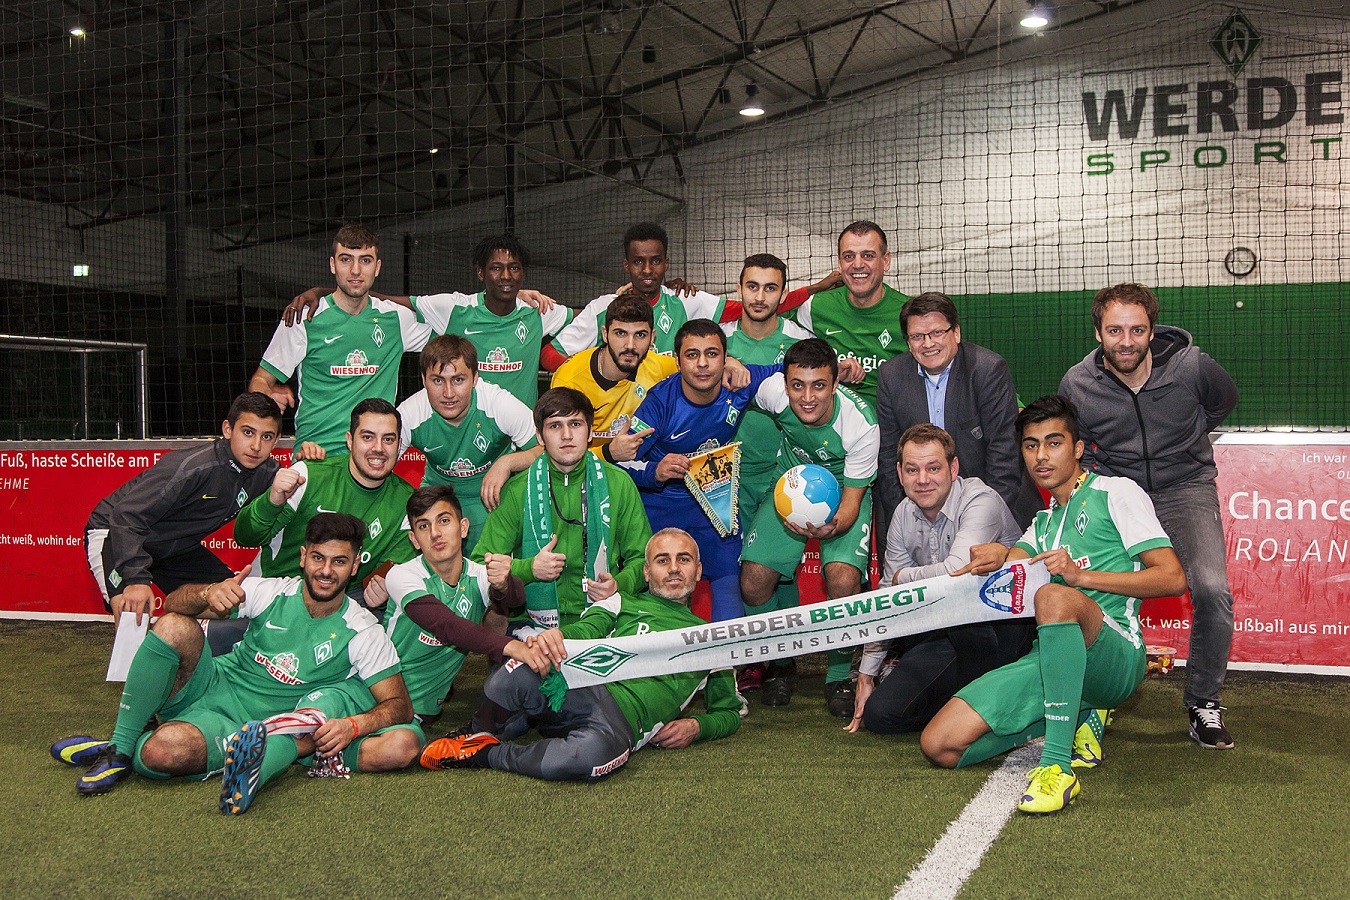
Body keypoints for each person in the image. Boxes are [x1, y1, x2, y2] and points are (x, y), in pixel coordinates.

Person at [919, 395, 1186, 815]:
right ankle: (1075, 715)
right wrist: (996, 556)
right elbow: (1014, 560)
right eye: (1030, 445)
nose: (1041, 455)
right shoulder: (1042, 522)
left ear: (1078, 449)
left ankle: (1057, 768)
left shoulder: (1115, 493)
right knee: (939, 745)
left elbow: (1172, 577)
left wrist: (1081, 578)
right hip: (1055, 660)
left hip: (1116, 653)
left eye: (1053, 442)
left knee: (1054, 595)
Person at [58, 513, 419, 814]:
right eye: (319, 558)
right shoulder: (269, 591)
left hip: (251, 728)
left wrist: (355, 726)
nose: (327, 571)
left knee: (160, 753)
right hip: (210, 687)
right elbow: (174, 606)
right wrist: (207, 594)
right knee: (172, 627)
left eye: (339, 562)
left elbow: (399, 706)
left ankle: (136, 740)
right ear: (303, 556)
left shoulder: (363, 630)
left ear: (355, 564)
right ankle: (120, 747)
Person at [1059, 282, 1240, 750]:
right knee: (1092, 587)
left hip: (1186, 488)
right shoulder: (1077, 384)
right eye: (1115, 330)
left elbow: (1223, 402)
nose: (1126, 341)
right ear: (1097, 332)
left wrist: (1185, 443)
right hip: (1120, 492)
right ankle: (1095, 699)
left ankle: (1203, 701)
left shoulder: (1191, 366)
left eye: (1137, 330)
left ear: (1152, 331)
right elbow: (1078, 441)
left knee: (1213, 590)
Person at [419, 528, 741, 781]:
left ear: (698, 571)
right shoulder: (622, 602)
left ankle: (485, 754)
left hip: (621, 725)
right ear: (646, 572)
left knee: (585, 760)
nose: (673, 569)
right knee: (511, 673)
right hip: (577, 687)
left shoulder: (711, 641)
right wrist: (555, 638)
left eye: (683, 560)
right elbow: (588, 629)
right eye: (662, 560)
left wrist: (697, 727)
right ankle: (478, 731)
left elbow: (729, 714)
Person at [847, 424, 1031, 735]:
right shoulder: (904, 513)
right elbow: (888, 598)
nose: (922, 480)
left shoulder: (979, 499)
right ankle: (966, 708)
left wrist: (904, 577)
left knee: (959, 610)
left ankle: (1005, 695)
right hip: (948, 631)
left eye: (933, 468)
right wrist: (867, 674)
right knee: (881, 716)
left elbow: (957, 573)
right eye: (912, 469)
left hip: (1001, 629)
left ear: (953, 468)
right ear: (900, 473)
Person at [739, 338, 880, 717]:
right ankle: (780, 663)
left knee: (842, 578)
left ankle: (838, 675)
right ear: (785, 384)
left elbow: (850, 506)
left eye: (819, 385)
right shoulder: (772, 393)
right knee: (753, 579)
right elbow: (737, 397)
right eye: (797, 385)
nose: (807, 397)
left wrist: (825, 529)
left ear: (835, 385)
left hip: (844, 489)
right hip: (790, 484)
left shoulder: (861, 427)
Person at [618, 318, 781, 624]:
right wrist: (655, 470)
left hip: (713, 488)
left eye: (713, 354)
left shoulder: (740, 382)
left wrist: (844, 365)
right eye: (692, 355)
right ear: (677, 361)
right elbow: (621, 462)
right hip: (660, 499)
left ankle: (724, 670)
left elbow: (794, 368)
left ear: (725, 357)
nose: (703, 364)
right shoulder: (659, 403)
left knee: (728, 581)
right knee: (655, 586)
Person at [286, 234, 568, 409]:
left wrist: (614, 298)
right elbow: (384, 297)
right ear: (481, 273)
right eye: (496, 268)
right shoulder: (453, 308)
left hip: (521, 437)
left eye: (513, 269)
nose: (505, 276)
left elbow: (588, 317)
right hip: (465, 435)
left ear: (523, 274)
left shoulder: (538, 311)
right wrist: (323, 292)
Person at [84, 392, 282, 631]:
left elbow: (302, 480)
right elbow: (126, 515)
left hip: (174, 547)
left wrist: (310, 455)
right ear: (228, 429)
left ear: (276, 440)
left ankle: (192, 659)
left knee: (234, 598)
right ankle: (132, 666)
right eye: (248, 432)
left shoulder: (267, 472)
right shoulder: (193, 467)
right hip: (117, 533)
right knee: (133, 614)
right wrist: (135, 580)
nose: (256, 446)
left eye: (267, 436)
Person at [471, 388, 651, 629]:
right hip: (530, 624)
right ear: (540, 436)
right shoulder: (516, 490)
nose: (567, 435)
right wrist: (529, 569)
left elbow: (643, 559)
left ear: (589, 433)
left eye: (575, 424)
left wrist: (619, 584)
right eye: (555, 426)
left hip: (604, 616)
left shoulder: (618, 483)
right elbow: (481, 565)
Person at [248, 223, 432, 452]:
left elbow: (456, 331)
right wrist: (268, 398)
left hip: (373, 458)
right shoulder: (305, 318)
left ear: (377, 267)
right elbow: (260, 381)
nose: (356, 270)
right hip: (316, 455)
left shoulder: (397, 319)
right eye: (346, 259)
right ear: (333, 265)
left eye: (365, 260)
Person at [722, 254, 815, 696]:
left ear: (783, 292)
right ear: (738, 289)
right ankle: (752, 657)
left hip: (784, 469)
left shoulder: (799, 341)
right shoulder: (718, 343)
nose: (760, 296)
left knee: (775, 567)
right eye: (752, 286)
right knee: (737, 567)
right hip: (727, 472)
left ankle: (782, 658)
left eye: (770, 288)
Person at [875, 292, 1041, 535]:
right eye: (918, 336)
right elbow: (890, 457)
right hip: (920, 515)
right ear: (908, 343)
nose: (928, 343)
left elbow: (1004, 456)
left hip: (993, 507)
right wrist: (908, 521)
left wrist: (980, 521)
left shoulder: (988, 370)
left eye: (937, 333)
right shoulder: (891, 377)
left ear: (956, 333)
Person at [379, 485, 550, 720]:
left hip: (422, 710)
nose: (435, 533)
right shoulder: (402, 576)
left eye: (444, 521)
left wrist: (503, 584)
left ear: (463, 527)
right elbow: (445, 625)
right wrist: (510, 646)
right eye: (423, 526)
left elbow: (516, 598)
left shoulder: (478, 575)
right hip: (379, 690)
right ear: (414, 539)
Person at [233, 399, 416, 603]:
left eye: (388, 439)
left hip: (343, 603)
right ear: (350, 440)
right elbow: (245, 537)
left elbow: (389, 572)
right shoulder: (308, 476)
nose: (378, 448)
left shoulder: (407, 502)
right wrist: (271, 501)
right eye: (367, 437)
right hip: (274, 591)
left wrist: (384, 587)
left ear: (399, 445)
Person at [542, 222, 780, 369]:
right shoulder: (604, 308)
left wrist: (810, 290)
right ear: (626, 265)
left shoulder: (685, 299)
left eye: (655, 261)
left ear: (666, 263)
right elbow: (550, 355)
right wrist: (595, 371)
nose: (647, 270)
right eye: (638, 262)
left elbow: (754, 306)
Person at [398, 335, 541, 551]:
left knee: (491, 570)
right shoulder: (411, 413)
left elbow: (547, 449)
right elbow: (377, 462)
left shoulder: (499, 404)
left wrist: (507, 463)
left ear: (475, 378)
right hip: (436, 496)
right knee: (406, 551)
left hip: (491, 498)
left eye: (458, 380)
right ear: (423, 379)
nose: (448, 393)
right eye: (437, 380)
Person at [791, 220, 909, 407]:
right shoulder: (815, 307)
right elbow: (777, 342)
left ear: (886, 261)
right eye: (848, 256)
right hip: (829, 424)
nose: (858, 264)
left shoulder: (909, 314)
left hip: (889, 424)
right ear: (839, 263)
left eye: (868, 255)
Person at [549, 295, 678, 461]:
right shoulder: (570, 381)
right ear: (605, 333)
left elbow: (700, 370)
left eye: (640, 335)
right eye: (620, 333)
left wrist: (723, 364)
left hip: (638, 470)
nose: (630, 345)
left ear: (652, 337)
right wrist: (608, 453)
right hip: (586, 474)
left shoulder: (660, 367)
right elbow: (560, 455)